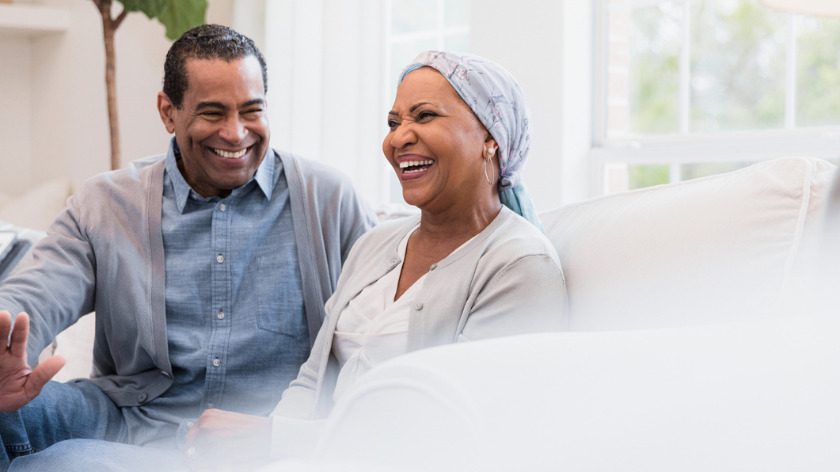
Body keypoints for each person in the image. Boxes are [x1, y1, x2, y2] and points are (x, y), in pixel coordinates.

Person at [0, 24, 376, 470]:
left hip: (263, 438)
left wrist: (298, 435)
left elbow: (384, 320)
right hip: (131, 424)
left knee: (63, 464)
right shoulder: (105, 203)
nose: (236, 133)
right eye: (213, 113)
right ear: (168, 111)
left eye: (251, 111)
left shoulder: (329, 200)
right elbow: (36, 293)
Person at [181, 50, 569, 469]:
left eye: (423, 116)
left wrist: (276, 440)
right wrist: (256, 453)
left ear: (491, 138)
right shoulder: (376, 243)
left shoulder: (521, 265)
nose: (399, 138)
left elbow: (452, 429)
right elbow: (311, 382)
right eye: (393, 122)